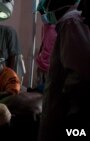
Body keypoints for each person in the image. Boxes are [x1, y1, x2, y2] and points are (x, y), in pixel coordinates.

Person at [38, 0, 90, 140]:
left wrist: (71, 129)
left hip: (65, 120)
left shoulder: (71, 22)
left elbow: (77, 79)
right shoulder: (68, 22)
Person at [31, 0, 58, 93]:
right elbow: (43, 43)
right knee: (39, 91)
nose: (43, 15)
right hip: (42, 65)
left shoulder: (59, 27)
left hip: (50, 68)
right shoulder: (47, 26)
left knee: (47, 92)